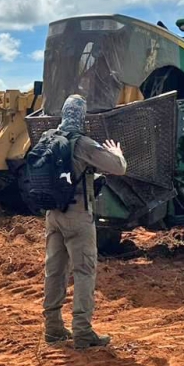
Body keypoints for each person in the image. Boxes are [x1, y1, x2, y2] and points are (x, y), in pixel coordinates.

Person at [43, 94, 127, 349]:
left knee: (54, 271)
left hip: (52, 214)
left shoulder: (47, 138)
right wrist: (117, 153)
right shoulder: (83, 144)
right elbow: (119, 168)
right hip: (78, 215)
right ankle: (82, 332)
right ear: (81, 117)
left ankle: (53, 328)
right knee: (83, 272)